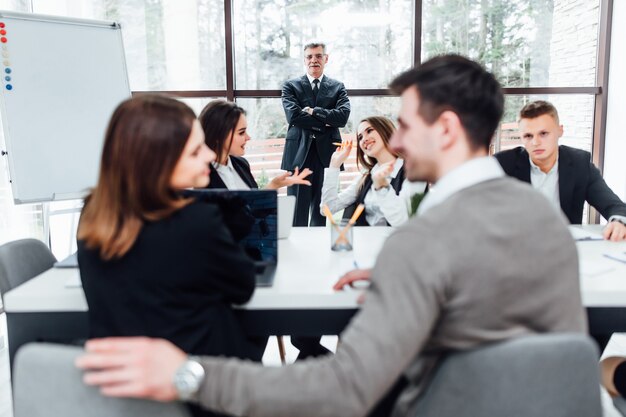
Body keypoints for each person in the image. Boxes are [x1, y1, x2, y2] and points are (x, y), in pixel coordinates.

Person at [76, 56, 586, 417]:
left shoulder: (422, 243)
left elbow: (345, 392)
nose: (397, 139)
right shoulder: (546, 222)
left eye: (405, 125)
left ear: (447, 129)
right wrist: (409, 279)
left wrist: (190, 376)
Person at [76, 95, 264, 417]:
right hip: (200, 390)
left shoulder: (93, 216)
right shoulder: (198, 221)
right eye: (195, 151)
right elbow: (243, 286)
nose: (208, 154)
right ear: (156, 162)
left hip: (124, 396)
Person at [495, 100, 626, 241]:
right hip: (518, 248)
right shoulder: (503, 164)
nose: (535, 142)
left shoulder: (580, 164)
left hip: (566, 248)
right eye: (528, 136)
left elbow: (614, 206)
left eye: (543, 133)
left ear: (560, 131)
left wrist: (618, 222)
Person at [281, 42, 351, 226]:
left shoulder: (338, 87)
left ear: (326, 59)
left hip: (326, 154)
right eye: (309, 56)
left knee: (322, 211)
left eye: (318, 56)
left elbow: (342, 118)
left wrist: (313, 111)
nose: (314, 60)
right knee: (297, 213)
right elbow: (293, 116)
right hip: (298, 153)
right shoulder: (290, 86)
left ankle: (318, 252)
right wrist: (325, 122)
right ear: (304, 60)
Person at [321, 116, 427, 226]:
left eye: (369, 131)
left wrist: (382, 187)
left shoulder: (416, 171)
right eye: (360, 137)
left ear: (385, 130)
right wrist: (334, 166)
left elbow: (404, 221)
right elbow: (326, 209)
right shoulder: (366, 176)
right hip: (365, 241)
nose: (364, 139)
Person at [199, 100, 312, 190]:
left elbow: (253, 205)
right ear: (219, 135)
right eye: (241, 132)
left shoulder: (241, 164)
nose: (248, 137)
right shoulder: (199, 174)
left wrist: (273, 185)